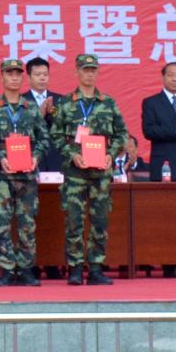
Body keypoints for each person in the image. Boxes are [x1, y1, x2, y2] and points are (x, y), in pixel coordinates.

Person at [50, 54, 128, 286]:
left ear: (98, 72)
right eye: (85, 70)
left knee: (100, 221)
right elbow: (55, 135)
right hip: (75, 172)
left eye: (93, 70)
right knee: (74, 220)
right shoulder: (65, 103)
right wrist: (71, 154)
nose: (89, 74)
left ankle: (95, 268)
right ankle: (75, 268)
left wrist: (110, 153)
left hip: (101, 173)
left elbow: (121, 134)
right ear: (77, 72)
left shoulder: (108, 103)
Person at [0, 59, 52, 287]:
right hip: (2, 175)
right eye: (10, 74)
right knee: (2, 221)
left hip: (27, 175)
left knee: (27, 223)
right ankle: (7, 269)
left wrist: (36, 157)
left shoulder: (30, 107)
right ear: (1, 77)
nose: (14, 78)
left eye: (18, 74)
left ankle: (26, 268)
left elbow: (44, 138)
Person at [23, 57, 66, 174]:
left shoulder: (60, 100)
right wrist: (39, 115)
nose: (42, 78)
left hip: (56, 156)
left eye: (45, 74)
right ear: (29, 77)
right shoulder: (21, 100)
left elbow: (64, 127)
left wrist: (53, 113)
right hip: (31, 156)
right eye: (38, 74)